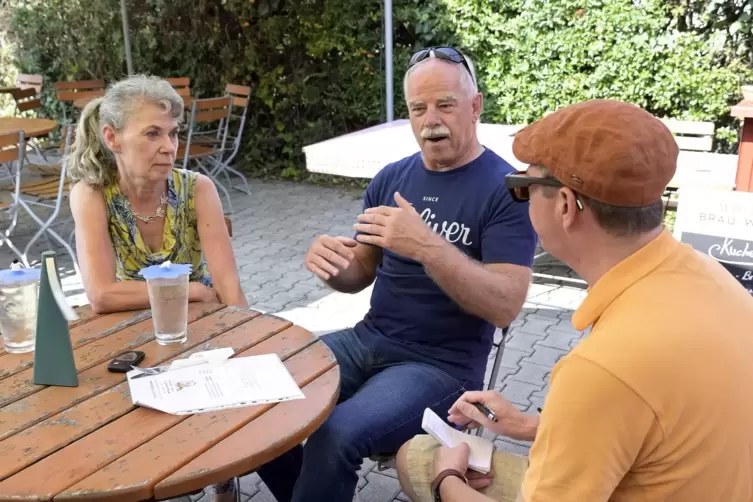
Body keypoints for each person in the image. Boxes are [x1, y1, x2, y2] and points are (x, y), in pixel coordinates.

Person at [396, 99, 753, 502]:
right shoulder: (712, 277)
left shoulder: (602, 368)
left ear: (565, 206)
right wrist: (529, 425)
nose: (521, 199)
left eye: (522, 189)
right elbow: (658, 425)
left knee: (420, 457)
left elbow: (618, 390)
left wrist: (448, 480)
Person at [255, 47, 537, 502]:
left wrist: (426, 245)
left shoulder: (506, 191)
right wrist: (335, 266)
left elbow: (505, 304)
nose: (431, 120)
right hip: (367, 339)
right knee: (258, 398)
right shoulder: (391, 178)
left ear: (476, 106)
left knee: (336, 434)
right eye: (418, 108)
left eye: (445, 104)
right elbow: (361, 271)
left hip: (440, 366)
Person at [68, 75, 247, 313]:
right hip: (131, 322)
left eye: (173, 133)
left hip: (199, 318)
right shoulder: (93, 195)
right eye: (152, 134)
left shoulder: (197, 188)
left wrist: (244, 336)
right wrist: (190, 290)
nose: (170, 147)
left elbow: (229, 286)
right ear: (112, 138)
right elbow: (101, 295)